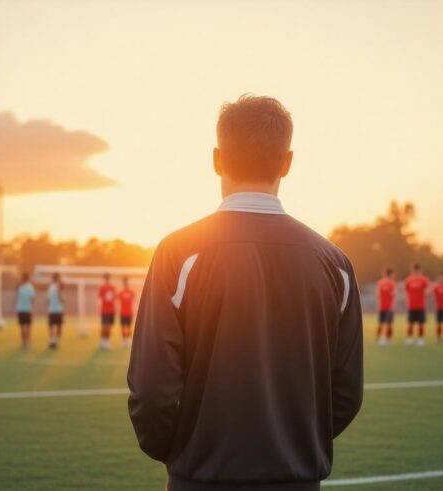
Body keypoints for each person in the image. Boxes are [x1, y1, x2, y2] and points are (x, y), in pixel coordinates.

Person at [127, 95, 363, 491]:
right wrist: (293, 448)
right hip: (297, 479)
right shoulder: (335, 262)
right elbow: (346, 393)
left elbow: (152, 391)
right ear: (287, 163)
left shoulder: (179, 252)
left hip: (201, 477)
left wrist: (183, 452)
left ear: (217, 159)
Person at [404, 264, 430, 346]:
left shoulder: (424, 280)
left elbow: (429, 289)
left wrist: (427, 292)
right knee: (410, 323)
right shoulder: (408, 280)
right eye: (414, 270)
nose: (415, 272)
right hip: (411, 305)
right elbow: (406, 291)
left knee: (421, 323)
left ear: (420, 270)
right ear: (412, 271)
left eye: (417, 270)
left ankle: (421, 339)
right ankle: (409, 338)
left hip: (421, 306)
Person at [375, 268, 396, 345]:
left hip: (383, 307)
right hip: (388, 307)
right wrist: (392, 305)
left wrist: (379, 304)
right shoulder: (392, 283)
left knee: (382, 323)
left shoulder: (380, 283)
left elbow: (377, 295)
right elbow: (394, 295)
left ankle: (379, 338)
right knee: (388, 324)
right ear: (390, 274)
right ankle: (387, 339)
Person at [15, 272, 35, 349]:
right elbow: (32, 299)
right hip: (27, 309)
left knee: (22, 326)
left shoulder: (20, 287)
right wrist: (32, 309)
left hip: (20, 309)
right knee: (28, 326)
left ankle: (23, 342)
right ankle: (27, 342)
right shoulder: (30, 287)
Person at [98, 273, 117, 350]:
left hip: (111, 310)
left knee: (109, 326)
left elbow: (115, 297)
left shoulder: (112, 287)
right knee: (104, 326)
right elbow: (100, 298)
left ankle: (107, 341)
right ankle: (102, 342)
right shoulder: (102, 288)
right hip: (105, 310)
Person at [47, 272, 64, 350]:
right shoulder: (57, 286)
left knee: (52, 326)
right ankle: (55, 341)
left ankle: (52, 340)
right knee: (59, 326)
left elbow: (48, 300)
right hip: (58, 309)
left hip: (51, 309)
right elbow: (61, 298)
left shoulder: (50, 287)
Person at [117, 276, 135, 348]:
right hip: (122, 312)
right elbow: (117, 300)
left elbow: (134, 299)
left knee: (129, 326)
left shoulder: (131, 292)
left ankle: (129, 340)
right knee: (123, 327)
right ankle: (124, 340)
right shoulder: (121, 292)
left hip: (129, 312)